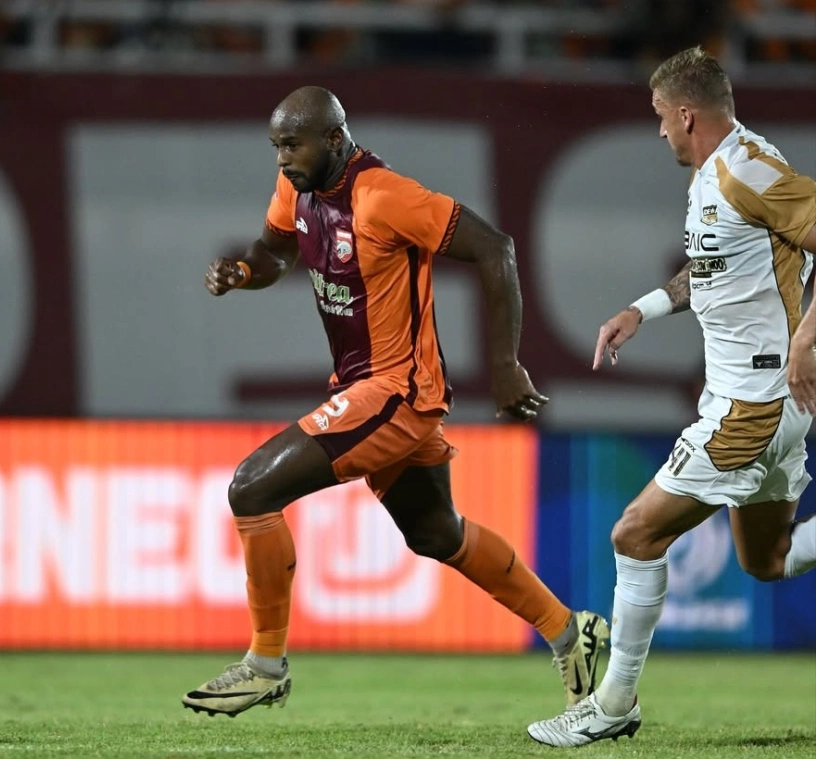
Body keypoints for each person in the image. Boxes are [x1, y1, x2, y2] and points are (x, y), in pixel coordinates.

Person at [183, 85, 609, 718]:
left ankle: (264, 665)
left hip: (393, 393)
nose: (282, 159)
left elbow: (496, 248)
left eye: (292, 145)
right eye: (275, 147)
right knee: (436, 532)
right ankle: (572, 633)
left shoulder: (384, 196)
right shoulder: (296, 189)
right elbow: (273, 251)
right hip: (366, 390)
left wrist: (505, 364)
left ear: (333, 139)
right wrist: (244, 272)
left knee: (251, 489)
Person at [527, 46, 816, 747]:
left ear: (686, 114)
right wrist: (644, 309)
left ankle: (614, 701)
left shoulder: (747, 170)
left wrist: (809, 333)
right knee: (766, 560)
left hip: (754, 397)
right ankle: (615, 701)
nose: (657, 131)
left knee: (635, 532)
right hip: (772, 401)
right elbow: (715, 266)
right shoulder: (725, 172)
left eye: (660, 117)